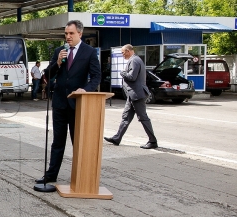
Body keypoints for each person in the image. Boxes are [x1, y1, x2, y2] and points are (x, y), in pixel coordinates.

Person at [36, 20, 101, 184]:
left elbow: (96, 77)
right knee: (58, 141)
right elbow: (47, 75)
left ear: (80, 33)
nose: (68, 37)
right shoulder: (60, 51)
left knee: (77, 141)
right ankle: (50, 175)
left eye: (71, 33)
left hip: (78, 104)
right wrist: (57, 63)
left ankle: (80, 176)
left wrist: (85, 90)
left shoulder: (90, 52)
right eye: (66, 34)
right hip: (59, 103)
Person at [104, 44, 158, 149]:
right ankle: (117, 138)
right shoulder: (135, 60)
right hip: (132, 94)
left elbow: (132, 77)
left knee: (143, 118)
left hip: (137, 94)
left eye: (123, 52)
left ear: (128, 51)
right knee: (126, 117)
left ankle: (153, 141)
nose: (122, 54)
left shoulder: (134, 60)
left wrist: (123, 73)